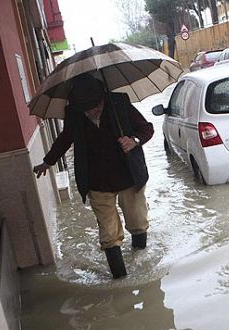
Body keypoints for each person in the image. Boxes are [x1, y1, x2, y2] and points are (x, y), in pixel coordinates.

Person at [33, 73, 153, 279]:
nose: (92, 111)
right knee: (108, 234)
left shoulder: (119, 102)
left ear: (102, 97)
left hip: (129, 176)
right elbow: (65, 139)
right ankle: (120, 280)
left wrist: (134, 140)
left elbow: (147, 129)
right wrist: (48, 161)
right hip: (97, 181)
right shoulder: (74, 113)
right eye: (86, 108)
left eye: (95, 106)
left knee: (137, 222)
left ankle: (142, 265)